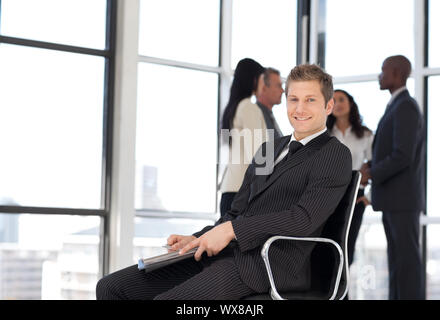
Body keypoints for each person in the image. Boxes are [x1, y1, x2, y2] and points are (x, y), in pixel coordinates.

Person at [96, 64, 352, 300]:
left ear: (328, 106)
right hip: (227, 252)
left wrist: (233, 231)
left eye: (310, 100)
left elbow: (302, 218)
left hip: (269, 264)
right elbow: (235, 212)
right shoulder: (270, 148)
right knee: (110, 288)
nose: (299, 109)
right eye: (293, 99)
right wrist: (196, 238)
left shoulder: (334, 154)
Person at [360, 55, 425, 300]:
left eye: (383, 70)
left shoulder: (405, 106)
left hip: (402, 201)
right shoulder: (397, 106)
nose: (380, 75)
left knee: (406, 266)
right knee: (399, 264)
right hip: (395, 201)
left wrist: (371, 173)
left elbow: (402, 155)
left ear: (397, 73)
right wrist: (371, 165)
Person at [327, 89, 374, 268]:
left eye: (341, 99)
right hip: (330, 197)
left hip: (355, 197)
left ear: (351, 104)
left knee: (348, 250)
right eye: (334, 100)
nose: (337, 104)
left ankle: (343, 293)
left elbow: (374, 167)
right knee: (329, 247)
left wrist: (369, 197)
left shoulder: (366, 135)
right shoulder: (325, 134)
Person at [219, 58, 266, 217]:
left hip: (229, 189)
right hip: (243, 192)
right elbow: (260, 153)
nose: (262, 84)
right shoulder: (249, 107)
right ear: (253, 80)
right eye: (261, 79)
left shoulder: (232, 108)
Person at [255, 67, 284, 140]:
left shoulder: (268, 114)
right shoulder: (257, 116)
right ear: (264, 88)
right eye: (278, 86)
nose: (282, 90)